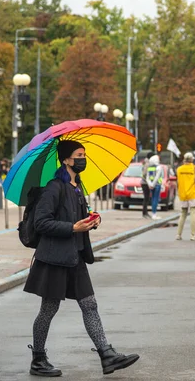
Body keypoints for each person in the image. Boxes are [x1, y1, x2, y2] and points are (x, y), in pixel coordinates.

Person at [24, 140, 139, 377]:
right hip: (55, 258)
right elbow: (41, 223)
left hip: (75, 257)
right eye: (78, 155)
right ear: (66, 159)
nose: (82, 159)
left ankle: (106, 355)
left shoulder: (77, 187)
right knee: (49, 309)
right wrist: (72, 228)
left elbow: (78, 220)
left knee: (90, 304)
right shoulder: (54, 187)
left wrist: (91, 221)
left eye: (84, 155)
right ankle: (38, 358)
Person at [176, 152, 195, 241]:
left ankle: (178, 234)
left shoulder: (179, 169)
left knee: (183, 214)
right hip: (192, 193)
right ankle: (193, 235)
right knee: (193, 213)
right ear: (192, 160)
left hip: (182, 194)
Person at [146, 155, 165, 220]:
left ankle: (153, 213)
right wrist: (153, 185)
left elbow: (147, 177)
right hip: (157, 185)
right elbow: (157, 177)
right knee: (155, 199)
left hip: (151, 185)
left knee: (153, 199)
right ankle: (154, 214)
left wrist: (150, 185)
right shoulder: (159, 167)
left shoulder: (150, 168)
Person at [140, 152, 154, 219]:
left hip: (145, 182)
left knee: (147, 198)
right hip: (145, 183)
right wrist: (148, 179)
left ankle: (145, 212)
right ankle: (144, 213)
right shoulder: (147, 164)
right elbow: (145, 173)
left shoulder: (146, 162)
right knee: (146, 198)